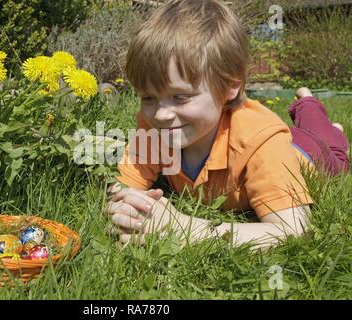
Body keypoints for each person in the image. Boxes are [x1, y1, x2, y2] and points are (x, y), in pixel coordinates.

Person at [103, 0, 350, 250]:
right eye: (148, 97)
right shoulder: (154, 125)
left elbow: (294, 231)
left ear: (231, 86)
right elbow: (122, 185)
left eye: (181, 96)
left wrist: (183, 228)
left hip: (308, 150)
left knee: (330, 143)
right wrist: (125, 207)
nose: (162, 114)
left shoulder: (262, 140)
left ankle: (311, 105)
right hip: (282, 142)